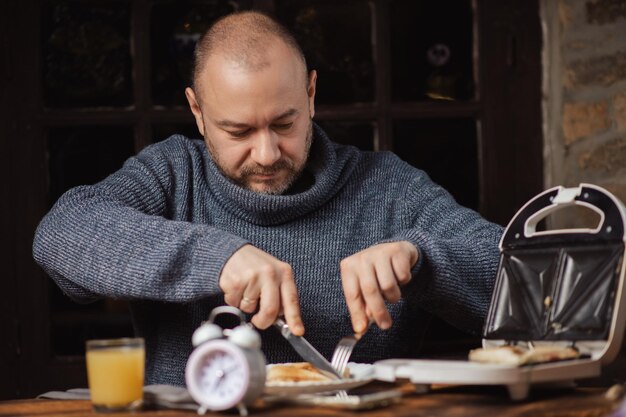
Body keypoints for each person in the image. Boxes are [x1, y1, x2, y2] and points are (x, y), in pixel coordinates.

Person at [33, 11, 503, 387]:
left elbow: (525, 285)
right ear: (197, 111)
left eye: (284, 124)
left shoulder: (388, 188)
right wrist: (216, 256)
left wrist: (422, 259)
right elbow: (61, 234)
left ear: (312, 95)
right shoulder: (173, 174)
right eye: (238, 131)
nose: (266, 153)